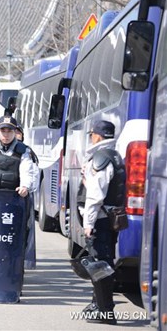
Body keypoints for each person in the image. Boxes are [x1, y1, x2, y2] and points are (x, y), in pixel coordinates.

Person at [80, 120, 125, 325]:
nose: (91, 138)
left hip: (101, 219)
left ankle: (106, 311)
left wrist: (88, 223)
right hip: (111, 218)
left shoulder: (100, 158)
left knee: (101, 265)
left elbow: (96, 195)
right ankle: (97, 304)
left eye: (92, 135)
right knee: (103, 262)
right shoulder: (115, 155)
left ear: (97, 136)